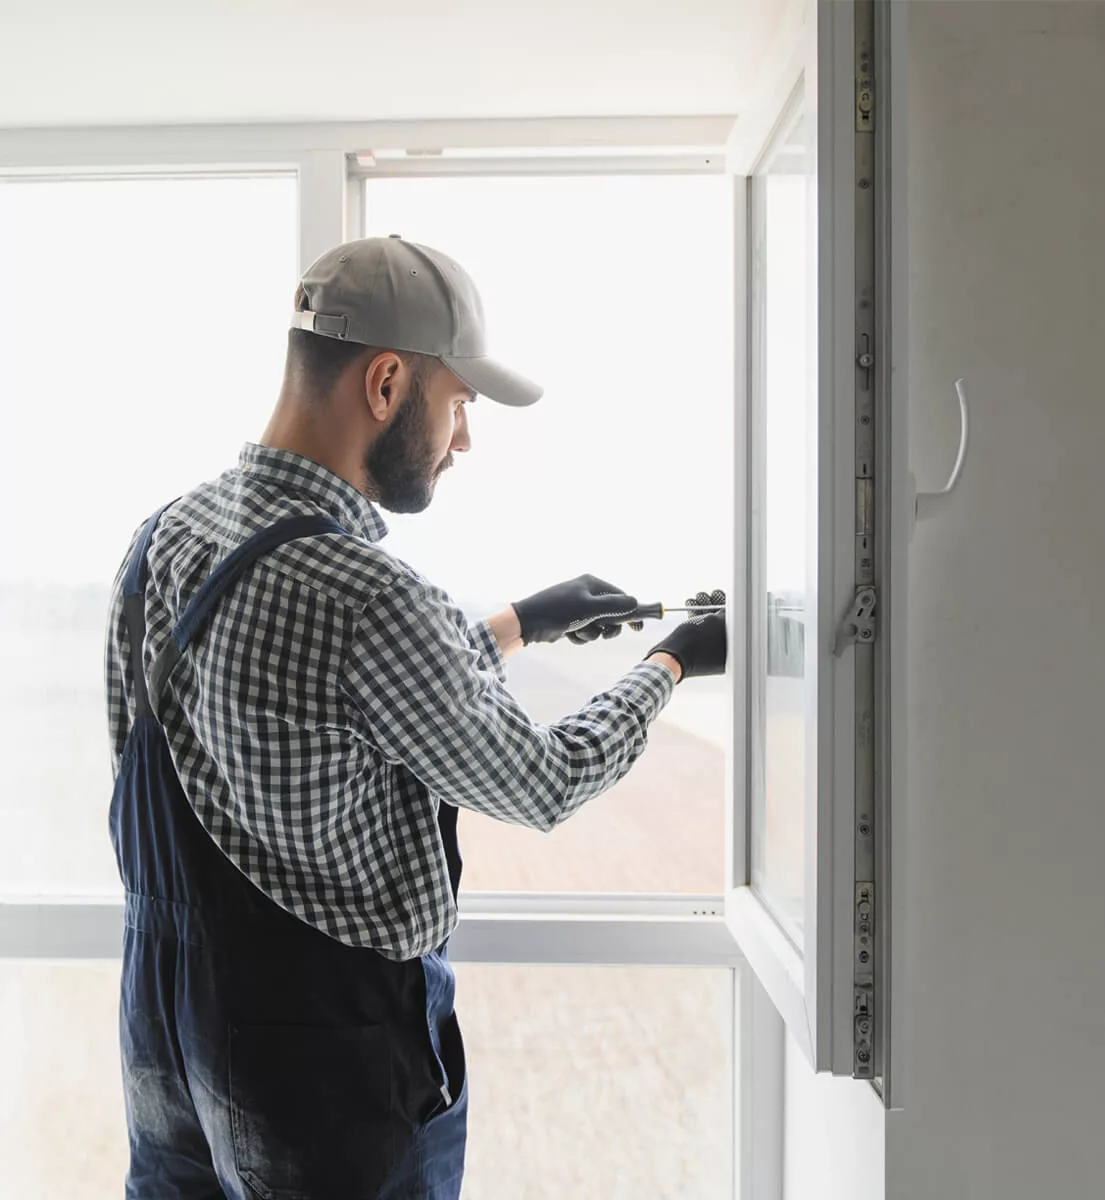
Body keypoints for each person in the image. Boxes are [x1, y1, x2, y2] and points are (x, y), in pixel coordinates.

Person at [104, 234, 727, 1200]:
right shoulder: (369, 595)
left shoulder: (165, 539)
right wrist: (673, 659)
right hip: (323, 1067)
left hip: (166, 1033)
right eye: (459, 404)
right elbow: (543, 781)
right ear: (386, 383)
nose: (465, 440)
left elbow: (314, 713)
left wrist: (522, 622)